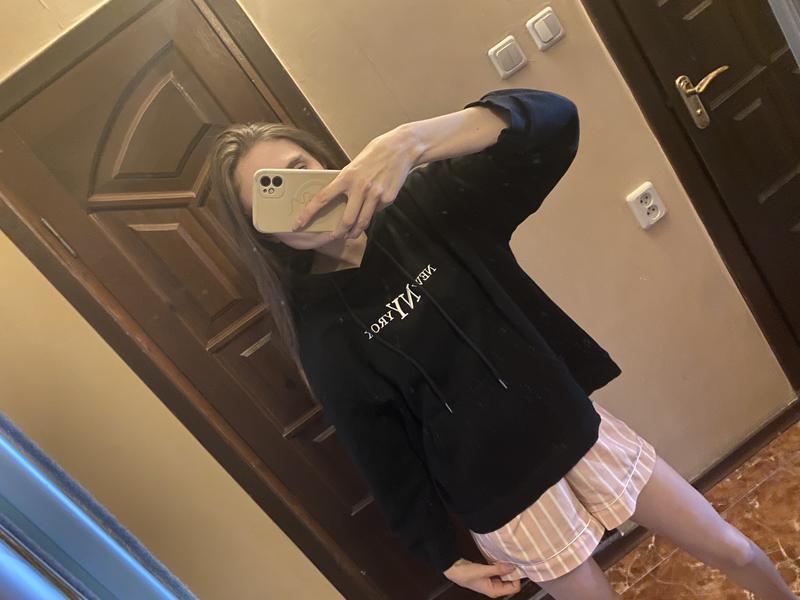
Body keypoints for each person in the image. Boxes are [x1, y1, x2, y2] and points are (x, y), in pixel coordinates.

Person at [209, 89, 797, 600]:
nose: (301, 197)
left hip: (575, 430)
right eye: (270, 195)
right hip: (505, 502)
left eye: (299, 168)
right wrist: (444, 557)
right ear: (262, 229)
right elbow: (381, 456)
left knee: (734, 550)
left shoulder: (426, 210)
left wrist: (411, 141)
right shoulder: (320, 331)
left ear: (325, 163)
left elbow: (553, 122)